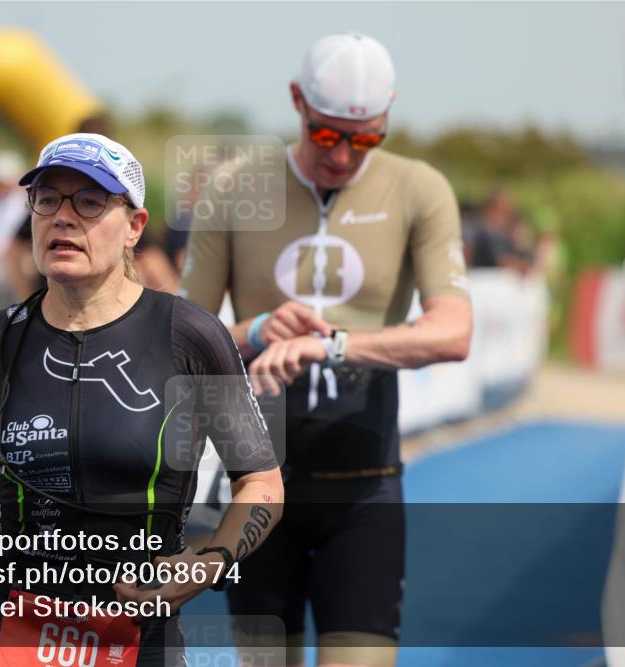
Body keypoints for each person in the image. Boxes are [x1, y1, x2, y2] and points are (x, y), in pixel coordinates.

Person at [0, 133, 284, 667]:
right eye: (47, 199)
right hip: (9, 633)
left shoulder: (190, 335)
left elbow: (262, 483)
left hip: (137, 634)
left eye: (91, 201)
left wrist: (208, 563)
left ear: (134, 227)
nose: (63, 217)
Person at [180, 33, 473, 667]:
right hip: (258, 489)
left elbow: (454, 331)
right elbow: (182, 340)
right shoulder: (236, 187)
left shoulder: (419, 188)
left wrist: (332, 345)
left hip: (362, 490)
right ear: (296, 104)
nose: (343, 155)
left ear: (388, 116)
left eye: (366, 138)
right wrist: (256, 332)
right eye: (326, 134)